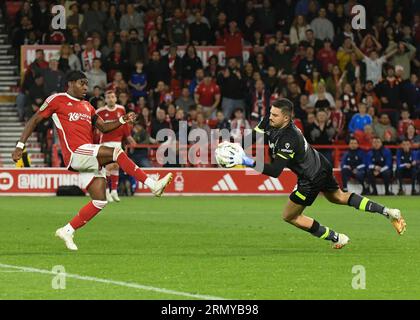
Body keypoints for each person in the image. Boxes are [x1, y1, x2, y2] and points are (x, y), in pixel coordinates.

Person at [12, 71, 173, 251]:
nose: (86, 88)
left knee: (100, 200)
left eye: (87, 84)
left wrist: (122, 119)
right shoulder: (56, 100)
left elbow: (103, 127)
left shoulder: (87, 106)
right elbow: (35, 120)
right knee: (116, 152)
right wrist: (20, 145)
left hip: (87, 153)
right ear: (70, 83)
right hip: (75, 153)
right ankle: (152, 184)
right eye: (82, 83)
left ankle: (67, 230)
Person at [219, 99, 406, 250]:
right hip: (321, 165)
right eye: (270, 113)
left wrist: (246, 161)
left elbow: (276, 171)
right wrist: (235, 148)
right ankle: (388, 212)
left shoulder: (289, 138)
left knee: (289, 216)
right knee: (339, 197)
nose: (270, 117)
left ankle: (337, 237)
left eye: (275, 115)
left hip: (310, 178)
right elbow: (254, 136)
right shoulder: (269, 122)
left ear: (286, 118)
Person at [96, 91, 137, 203]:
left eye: (112, 97)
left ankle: (114, 191)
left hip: (117, 142)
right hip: (105, 142)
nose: (110, 99)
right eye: (108, 97)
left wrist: (128, 136)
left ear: (116, 98)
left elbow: (124, 125)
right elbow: (95, 127)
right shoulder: (100, 112)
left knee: (116, 166)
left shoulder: (121, 109)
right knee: (109, 167)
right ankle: (107, 190)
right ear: (105, 100)